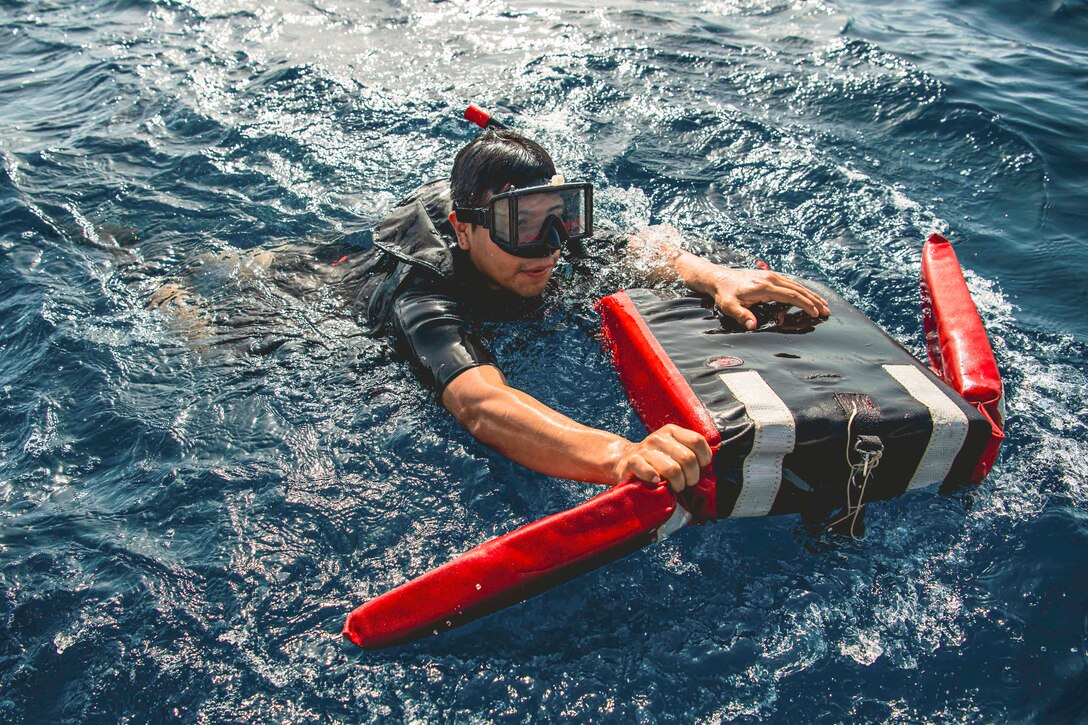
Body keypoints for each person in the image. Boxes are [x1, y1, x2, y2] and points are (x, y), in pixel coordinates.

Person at [356, 128, 830, 494]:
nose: (549, 248)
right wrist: (620, 455)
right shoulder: (422, 294)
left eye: (559, 217)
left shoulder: (548, 240)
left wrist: (716, 276)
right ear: (464, 230)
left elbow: (638, 249)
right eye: (521, 226)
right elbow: (480, 403)